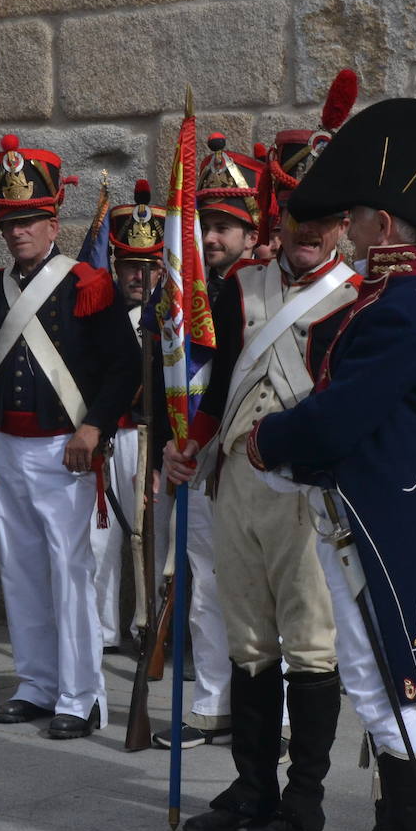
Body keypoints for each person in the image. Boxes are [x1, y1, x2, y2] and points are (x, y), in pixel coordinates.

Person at [246, 97, 416, 831]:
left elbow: (342, 414)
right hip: (370, 518)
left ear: (385, 224)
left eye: (354, 218)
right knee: (370, 681)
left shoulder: (408, 304)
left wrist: (269, 442)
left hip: (381, 525)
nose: (343, 229)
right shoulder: (398, 297)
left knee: (383, 689)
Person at [164, 74, 361, 831]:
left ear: (344, 223)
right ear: (276, 213)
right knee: (248, 643)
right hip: (237, 486)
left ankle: (302, 804)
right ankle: (253, 786)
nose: (310, 231)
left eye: (326, 219)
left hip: (310, 496)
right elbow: (214, 381)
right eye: (299, 216)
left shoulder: (357, 297)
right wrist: (191, 445)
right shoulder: (239, 284)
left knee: (309, 645)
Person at [0, 134, 141, 739]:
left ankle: (81, 697)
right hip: (7, 444)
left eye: (29, 220)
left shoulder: (89, 283)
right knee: (23, 569)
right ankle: (35, 683)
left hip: (67, 449)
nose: (18, 232)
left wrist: (94, 427)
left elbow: (125, 367)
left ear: (53, 221)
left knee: (69, 571)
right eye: (9, 222)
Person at [150, 133, 267, 751]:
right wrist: (174, 447)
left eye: (226, 226)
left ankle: (271, 721)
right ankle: (211, 704)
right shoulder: (183, 291)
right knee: (204, 583)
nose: (213, 237)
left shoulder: (264, 291)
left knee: (259, 593)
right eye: (206, 224)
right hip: (196, 454)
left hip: (251, 458)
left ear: (252, 234)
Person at [89, 179, 162, 653]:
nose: (139, 275)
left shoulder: (173, 318)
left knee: (153, 544)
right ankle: (102, 633)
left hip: (149, 439)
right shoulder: (97, 315)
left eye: (148, 265)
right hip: (107, 440)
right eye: (129, 265)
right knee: (101, 545)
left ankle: (154, 630)